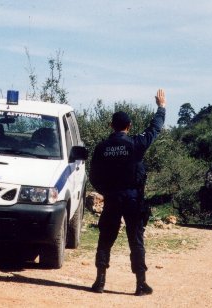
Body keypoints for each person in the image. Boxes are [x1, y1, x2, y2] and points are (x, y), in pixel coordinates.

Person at [89, 89, 166, 295]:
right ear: (129, 126)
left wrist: (105, 191)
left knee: (105, 238)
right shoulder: (135, 144)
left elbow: (93, 175)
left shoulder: (102, 147)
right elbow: (154, 129)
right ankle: (141, 284)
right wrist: (161, 107)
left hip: (112, 198)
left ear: (110, 126)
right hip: (133, 199)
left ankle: (100, 282)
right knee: (136, 239)